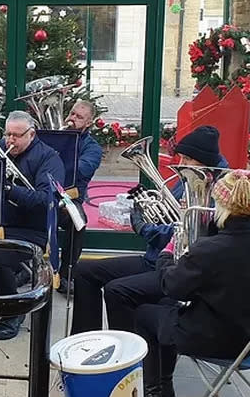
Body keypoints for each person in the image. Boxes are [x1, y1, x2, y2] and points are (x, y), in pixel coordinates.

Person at [133, 169, 250, 397]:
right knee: (166, 308)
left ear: (226, 205)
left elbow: (171, 286)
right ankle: (163, 387)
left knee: (144, 313)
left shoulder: (212, 250)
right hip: (249, 334)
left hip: (216, 339)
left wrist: (167, 252)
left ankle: (158, 392)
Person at [71, 124, 229, 335]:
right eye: (181, 158)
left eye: (188, 159)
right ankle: (87, 339)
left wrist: (146, 229)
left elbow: (190, 235)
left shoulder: (217, 191)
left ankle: (128, 354)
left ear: (204, 161)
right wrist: (145, 212)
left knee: (115, 290)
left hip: (174, 266)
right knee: (83, 271)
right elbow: (173, 217)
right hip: (156, 258)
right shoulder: (187, 179)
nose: (181, 165)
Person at [0, 111, 65, 341]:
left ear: (32, 134)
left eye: (16, 136)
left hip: (30, 229)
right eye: (8, 134)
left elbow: (46, 201)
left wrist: (9, 189)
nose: (10, 141)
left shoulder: (49, 158)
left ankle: (13, 309)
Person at [56, 100, 102, 295]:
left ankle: (67, 273)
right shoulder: (55, 136)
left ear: (89, 123)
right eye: (72, 114)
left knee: (78, 221)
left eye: (79, 117)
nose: (72, 119)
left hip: (68, 198)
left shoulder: (93, 148)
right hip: (44, 193)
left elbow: (82, 169)